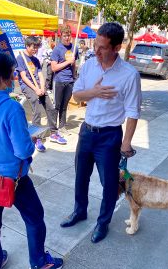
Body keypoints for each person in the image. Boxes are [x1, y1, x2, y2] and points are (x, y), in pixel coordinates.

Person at [0, 51, 63, 269]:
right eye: (12, 74)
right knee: (35, 217)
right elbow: (22, 150)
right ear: (2, 78)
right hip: (13, 176)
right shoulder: (11, 108)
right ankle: (38, 263)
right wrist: (32, 139)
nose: (14, 79)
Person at [60, 22, 142, 244]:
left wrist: (126, 143)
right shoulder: (88, 66)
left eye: (103, 47)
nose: (96, 50)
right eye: (96, 44)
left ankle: (103, 222)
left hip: (109, 136)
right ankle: (80, 211)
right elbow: (76, 96)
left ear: (116, 47)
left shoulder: (129, 75)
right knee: (81, 177)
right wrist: (93, 92)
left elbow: (133, 111)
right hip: (86, 132)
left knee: (108, 183)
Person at [16, 36, 66, 152]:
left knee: (50, 107)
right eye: (34, 47)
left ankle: (54, 132)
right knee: (37, 108)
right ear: (27, 46)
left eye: (37, 48)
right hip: (28, 86)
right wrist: (36, 89)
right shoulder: (20, 58)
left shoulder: (36, 60)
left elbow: (40, 75)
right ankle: (36, 137)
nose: (35, 50)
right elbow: (24, 77)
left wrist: (42, 88)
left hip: (39, 86)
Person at [50, 25, 79, 135]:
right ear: (61, 36)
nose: (67, 38)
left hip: (70, 81)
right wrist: (68, 62)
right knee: (57, 106)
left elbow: (74, 64)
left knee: (65, 106)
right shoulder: (57, 49)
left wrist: (75, 77)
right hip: (59, 80)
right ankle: (53, 129)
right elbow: (53, 68)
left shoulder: (74, 48)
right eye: (65, 36)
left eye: (69, 35)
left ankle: (62, 127)